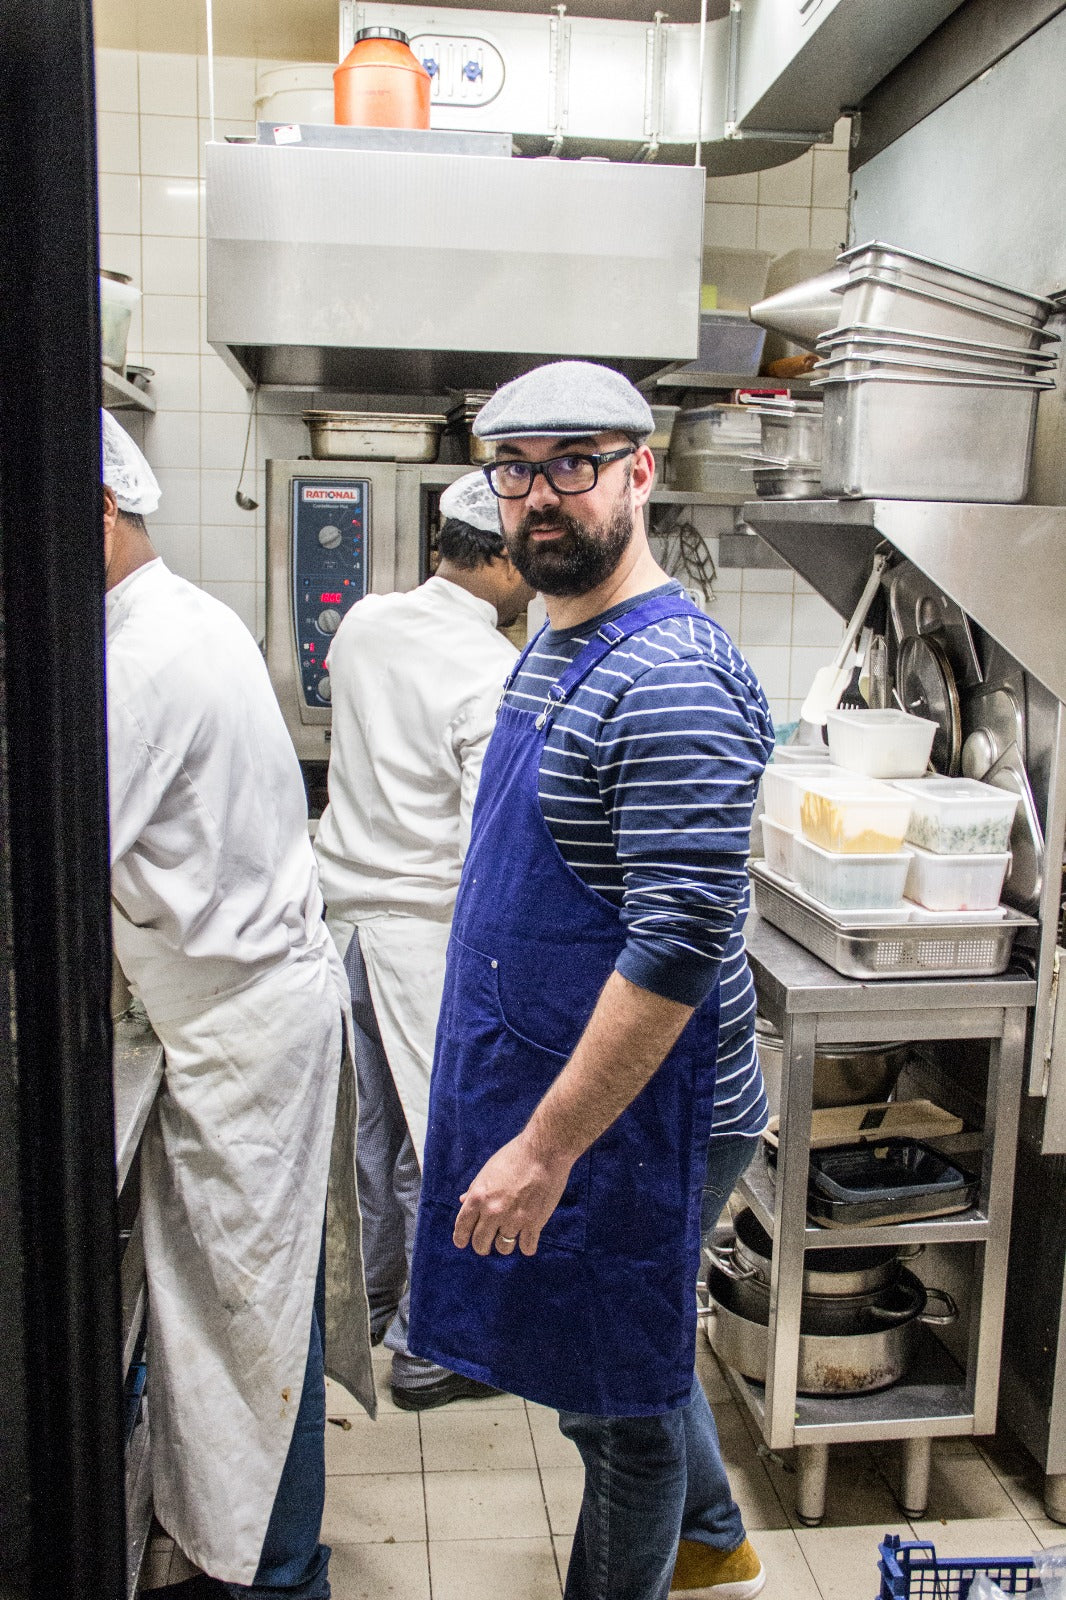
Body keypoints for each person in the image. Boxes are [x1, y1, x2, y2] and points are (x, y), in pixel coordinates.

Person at [408, 363, 775, 1600]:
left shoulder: (664, 675)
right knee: (625, 1363)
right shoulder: (561, 643)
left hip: (648, 1114)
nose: (540, 495)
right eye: (515, 468)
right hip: (580, 1087)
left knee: (615, 1407)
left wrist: (546, 1146)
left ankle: (676, 1559)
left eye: (574, 461)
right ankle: (716, 1537)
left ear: (640, 470)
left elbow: (672, 949)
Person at [101, 411, 374, 1600]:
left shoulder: (138, 661)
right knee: (250, 1315)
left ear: (94, 512)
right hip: (238, 1018)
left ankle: (280, 1577)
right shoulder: (182, 618)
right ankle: (262, 1559)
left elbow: (65, 851)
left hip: (241, 1034)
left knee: (252, 1327)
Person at [314, 471, 534, 1409]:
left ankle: (366, 1305)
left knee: (365, 1132)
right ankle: (426, 1347)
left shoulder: (365, 620)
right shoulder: (489, 670)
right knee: (442, 1141)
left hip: (339, 922)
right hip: (422, 937)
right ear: (502, 557)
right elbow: (497, 831)